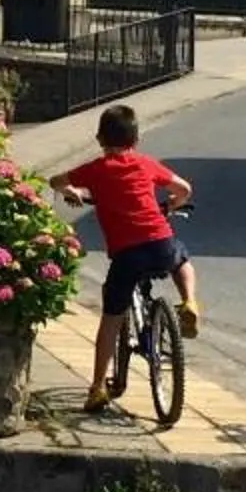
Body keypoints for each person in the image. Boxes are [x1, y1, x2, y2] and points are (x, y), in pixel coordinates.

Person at [49, 104, 199, 413]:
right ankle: (190, 302)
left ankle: (97, 387)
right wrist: (172, 204)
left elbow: (55, 181)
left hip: (127, 254)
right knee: (181, 259)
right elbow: (184, 188)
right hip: (160, 243)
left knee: (111, 318)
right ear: (137, 139)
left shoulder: (95, 169)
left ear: (100, 139)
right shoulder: (145, 164)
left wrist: (73, 192)